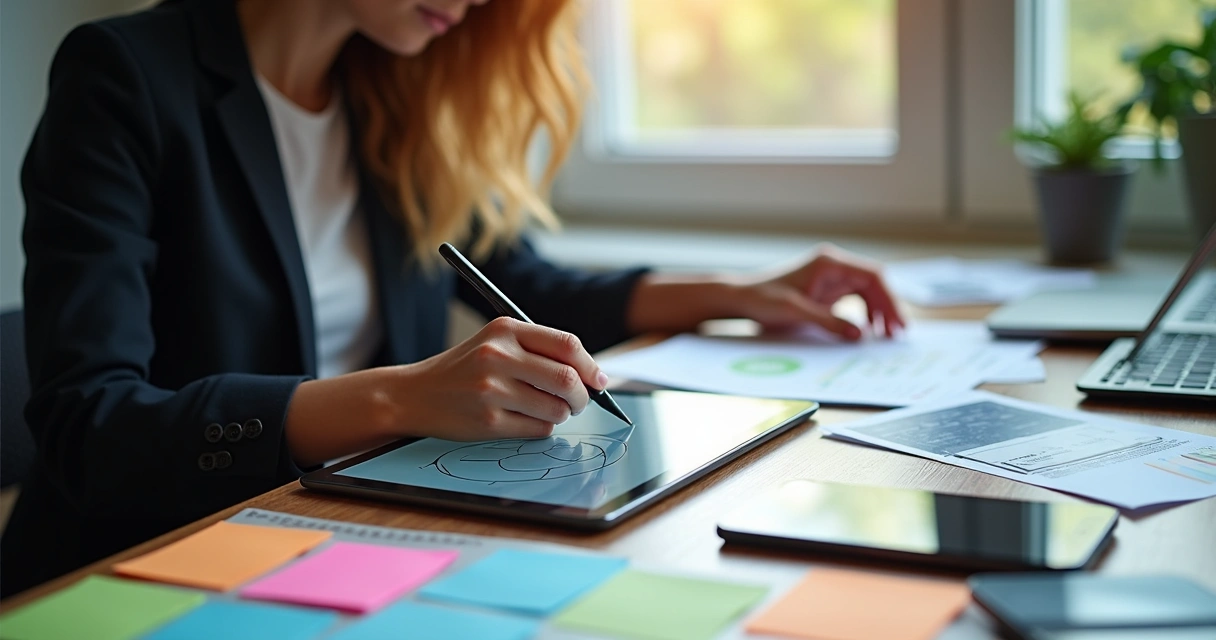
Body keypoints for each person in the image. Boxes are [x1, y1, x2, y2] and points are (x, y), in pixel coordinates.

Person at [1, 0, 905, 596]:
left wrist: (744, 292)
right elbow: (92, 427)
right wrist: (400, 396)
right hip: (154, 563)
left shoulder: (390, 86)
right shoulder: (124, 73)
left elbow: (535, 287)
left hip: (349, 532)